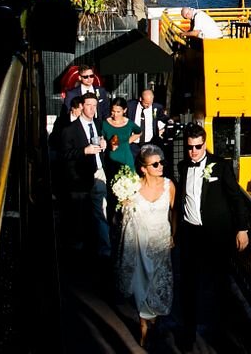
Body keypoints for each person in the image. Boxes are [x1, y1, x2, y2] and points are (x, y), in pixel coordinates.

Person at [173, 122, 250, 351]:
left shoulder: (221, 166)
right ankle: (188, 335)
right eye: (189, 147)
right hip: (190, 234)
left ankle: (221, 336)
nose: (193, 152)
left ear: (205, 144)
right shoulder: (183, 166)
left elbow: (236, 198)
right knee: (188, 286)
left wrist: (242, 228)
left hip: (216, 236)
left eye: (197, 147)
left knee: (219, 285)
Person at [117, 144, 175, 348]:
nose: (161, 166)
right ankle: (143, 326)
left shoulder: (169, 186)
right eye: (156, 164)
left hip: (161, 242)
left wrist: (173, 235)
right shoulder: (132, 187)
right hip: (140, 244)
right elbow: (126, 217)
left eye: (162, 162)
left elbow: (174, 212)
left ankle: (155, 322)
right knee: (142, 285)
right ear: (143, 168)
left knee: (158, 285)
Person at [61, 93, 112, 260]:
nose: (92, 108)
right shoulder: (70, 129)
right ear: (82, 106)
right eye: (89, 105)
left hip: (99, 172)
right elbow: (65, 155)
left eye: (95, 105)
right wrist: (85, 150)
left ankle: (105, 251)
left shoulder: (98, 123)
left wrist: (105, 145)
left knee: (101, 212)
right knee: (80, 215)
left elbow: (104, 144)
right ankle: (79, 252)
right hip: (80, 177)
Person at [101, 96, 141, 199]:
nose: (115, 114)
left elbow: (139, 131)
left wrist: (127, 141)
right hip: (111, 160)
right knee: (112, 192)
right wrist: (106, 143)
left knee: (129, 189)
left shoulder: (129, 123)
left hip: (126, 159)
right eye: (113, 111)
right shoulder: (105, 123)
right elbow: (101, 138)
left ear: (124, 110)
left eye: (118, 111)